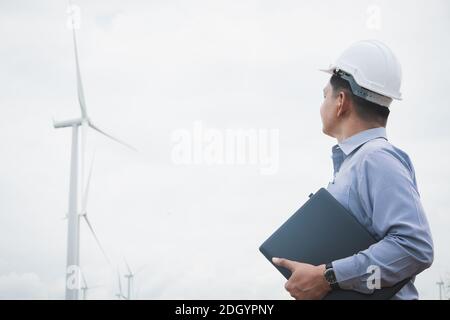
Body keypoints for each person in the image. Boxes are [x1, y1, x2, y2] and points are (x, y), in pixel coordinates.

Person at [272, 40, 434, 300]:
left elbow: (415, 247)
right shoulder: (357, 163)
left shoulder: (376, 158)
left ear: (341, 101)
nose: (322, 104)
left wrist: (327, 277)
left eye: (324, 95)